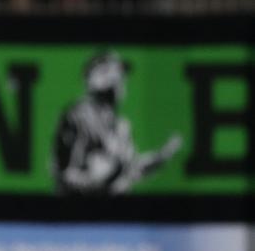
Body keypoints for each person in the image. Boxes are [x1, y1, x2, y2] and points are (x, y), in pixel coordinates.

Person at [53, 52, 182, 195]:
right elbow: (66, 176)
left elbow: (132, 170)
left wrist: (162, 157)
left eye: (121, 76)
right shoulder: (78, 116)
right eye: (114, 74)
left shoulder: (122, 126)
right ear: (97, 78)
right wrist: (103, 177)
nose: (121, 81)